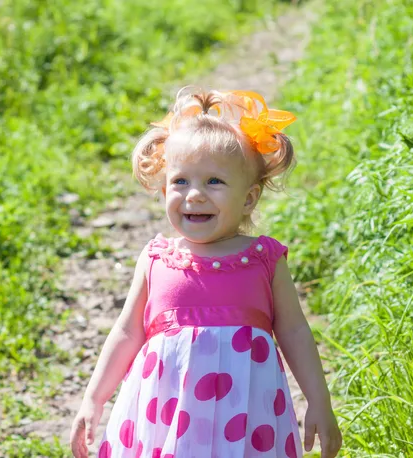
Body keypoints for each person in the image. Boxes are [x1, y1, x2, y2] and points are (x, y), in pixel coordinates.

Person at [69, 87, 342, 458]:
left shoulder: (263, 259)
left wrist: (318, 401)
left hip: (245, 422)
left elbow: (294, 330)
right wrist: (93, 399)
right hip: (164, 418)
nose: (194, 194)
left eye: (214, 181)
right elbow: (127, 331)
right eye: (181, 181)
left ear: (249, 198)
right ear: (164, 189)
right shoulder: (156, 259)